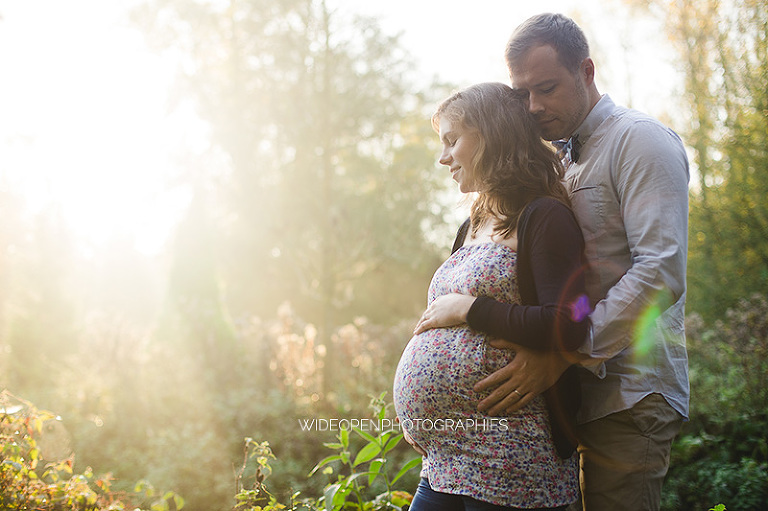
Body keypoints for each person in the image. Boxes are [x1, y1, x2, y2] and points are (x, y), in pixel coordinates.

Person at [418, 13, 690, 511]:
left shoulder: (640, 141)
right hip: (562, 400)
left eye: (547, 87)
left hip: (628, 392)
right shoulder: (557, 161)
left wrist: (564, 351)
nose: (535, 107)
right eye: (523, 94)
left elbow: (660, 271)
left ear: (586, 71)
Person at [393, 82, 590, 511]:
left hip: (512, 456)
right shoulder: (470, 227)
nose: (443, 157)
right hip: (446, 460)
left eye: (452, 141)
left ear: (491, 134)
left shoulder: (545, 217)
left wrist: (470, 309)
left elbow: (570, 321)